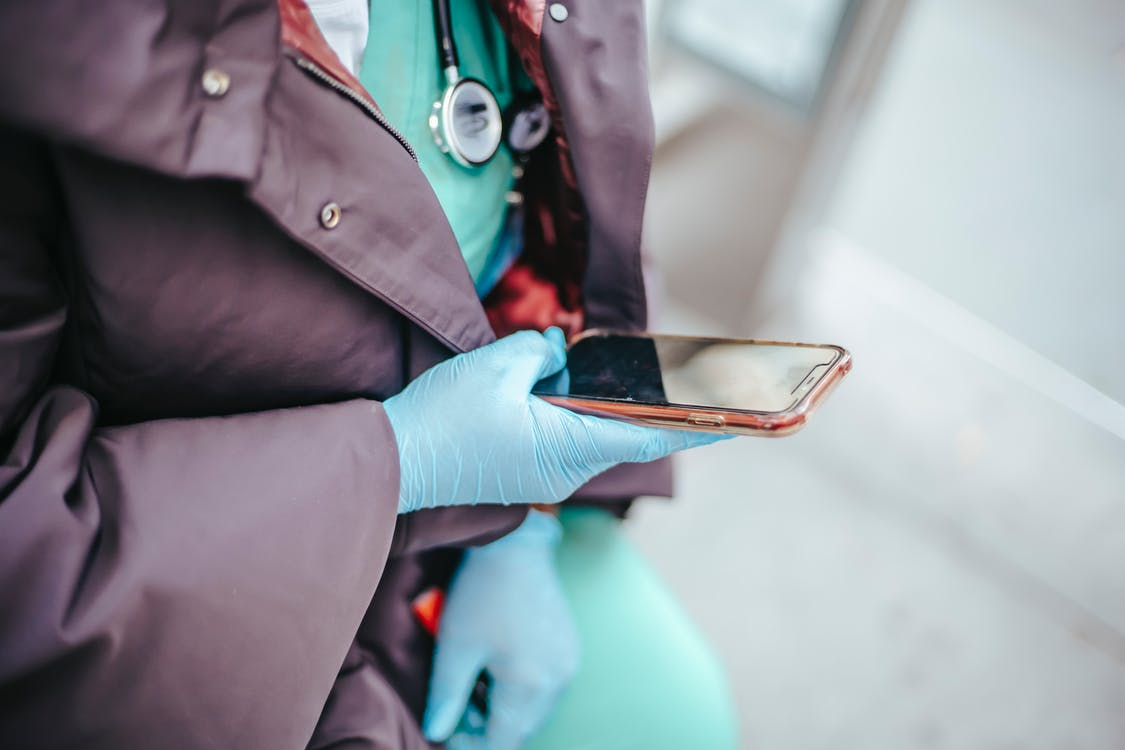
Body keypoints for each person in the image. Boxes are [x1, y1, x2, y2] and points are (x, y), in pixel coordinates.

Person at [0, 0, 739, 748]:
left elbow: (572, 206)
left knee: (686, 716)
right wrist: (398, 464)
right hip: (193, 612)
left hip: (474, 531)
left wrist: (523, 531)